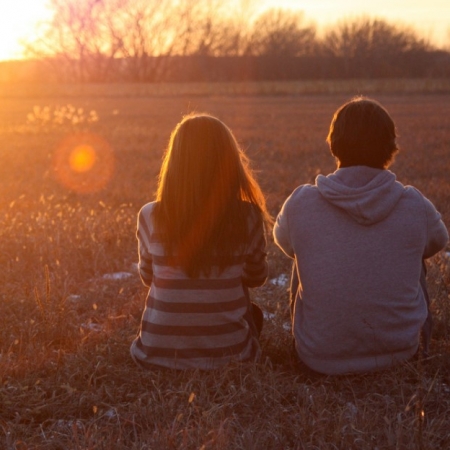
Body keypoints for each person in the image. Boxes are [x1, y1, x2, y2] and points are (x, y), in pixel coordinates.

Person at [273, 97, 449, 376]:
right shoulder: (414, 204)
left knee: (302, 252)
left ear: (333, 143)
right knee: (415, 255)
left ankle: (325, 333)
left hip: (317, 358)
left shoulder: (301, 203)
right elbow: (439, 241)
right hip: (401, 354)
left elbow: (283, 242)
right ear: (390, 147)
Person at [131, 113, 271, 370]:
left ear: (174, 163)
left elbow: (147, 275)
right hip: (232, 358)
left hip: (154, 355)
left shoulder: (149, 215)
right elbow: (256, 277)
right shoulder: (249, 217)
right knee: (254, 314)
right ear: (229, 163)